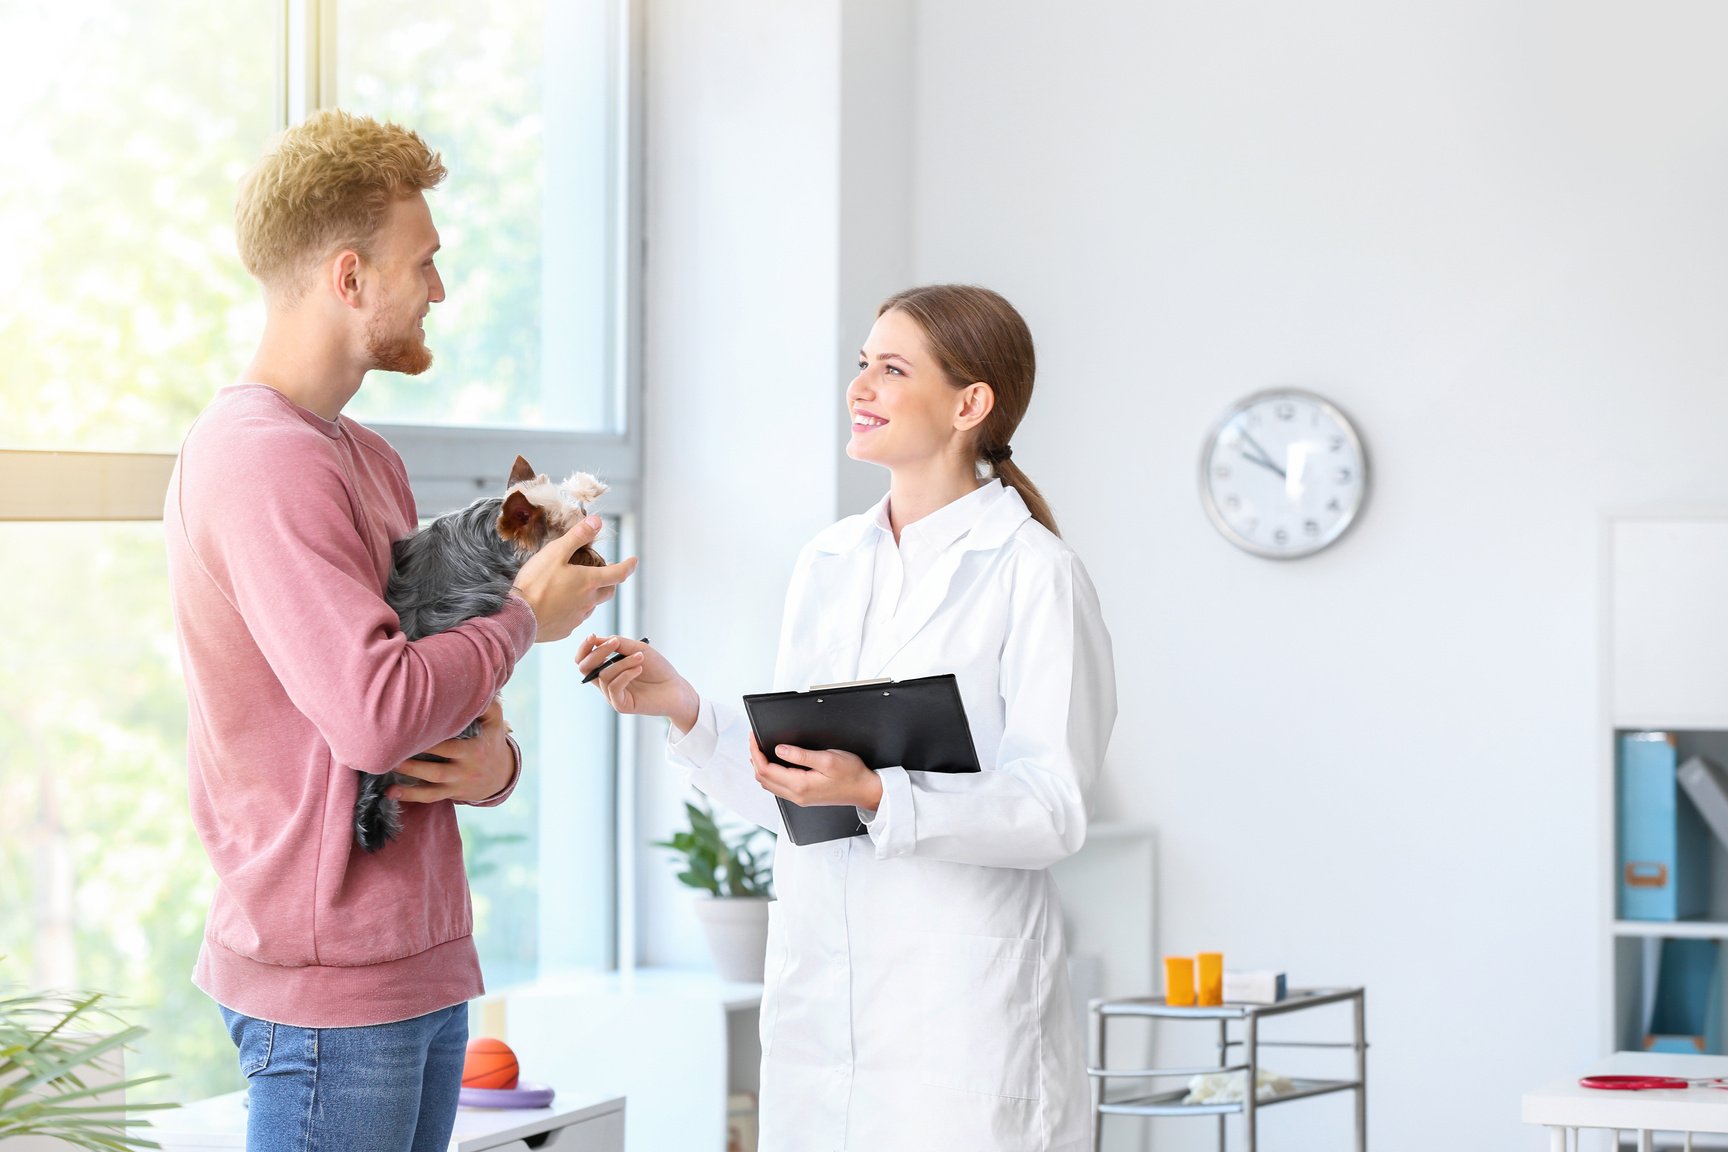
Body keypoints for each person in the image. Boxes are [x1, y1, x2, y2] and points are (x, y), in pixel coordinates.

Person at [163, 109, 637, 1152]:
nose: (441, 290)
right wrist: (526, 618)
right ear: (348, 277)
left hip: (416, 965)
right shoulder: (259, 458)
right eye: (423, 263)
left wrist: (495, 764)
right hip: (332, 994)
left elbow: (439, 688)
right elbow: (376, 714)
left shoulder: (362, 458)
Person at [580, 283, 1117, 1151]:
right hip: (820, 1014)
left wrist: (881, 795)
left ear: (969, 404)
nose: (859, 386)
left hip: (958, 1022)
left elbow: (1053, 810)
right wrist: (681, 708)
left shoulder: (1033, 573)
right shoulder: (829, 561)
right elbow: (803, 807)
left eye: (891, 368)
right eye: (861, 364)